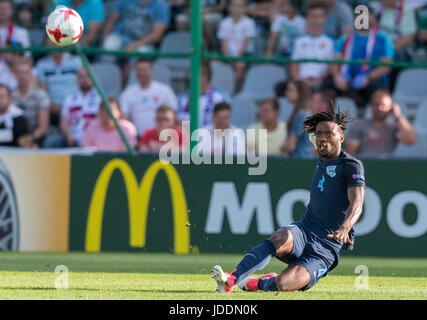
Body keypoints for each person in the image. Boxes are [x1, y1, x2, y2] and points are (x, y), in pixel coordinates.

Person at [212, 108, 366, 293]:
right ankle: (231, 279)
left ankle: (259, 282)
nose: (322, 138)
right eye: (318, 134)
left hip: (326, 249)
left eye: (328, 134)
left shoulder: (351, 165)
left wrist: (345, 227)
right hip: (305, 231)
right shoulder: (321, 161)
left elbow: (357, 202)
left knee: (283, 284)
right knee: (280, 237)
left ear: (341, 137)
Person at [329, 9, 394, 107]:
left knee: (375, 89)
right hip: (346, 79)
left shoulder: (383, 39)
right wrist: (337, 77)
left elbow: (386, 65)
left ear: (374, 19)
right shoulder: (345, 38)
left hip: (371, 80)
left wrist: (368, 78)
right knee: (328, 87)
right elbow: (335, 61)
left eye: (367, 15)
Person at [344, 89, 416, 158]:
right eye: (376, 104)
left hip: (386, 167)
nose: (380, 108)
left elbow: (410, 140)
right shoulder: (359, 125)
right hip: (364, 166)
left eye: (383, 105)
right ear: (371, 106)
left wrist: (398, 116)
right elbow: (350, 152)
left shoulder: (393, 127)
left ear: (390, 107)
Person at [119, 58, 178, 136]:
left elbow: (174, 114)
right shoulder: (128, 93)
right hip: (137, 138)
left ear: (151, 70)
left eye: (144, 69)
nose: (141, 73)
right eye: (138, 70)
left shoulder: (165, 90)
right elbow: (123, 117)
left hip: (163, 137)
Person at [36, 38, 82, 127]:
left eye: (56, 40)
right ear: (46, 43)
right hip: (52, 108)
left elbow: (84, 83)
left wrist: (70, 105)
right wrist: (51, 104)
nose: (54, 43)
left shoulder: (76, 61)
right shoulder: (41, 64)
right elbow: (42, 88)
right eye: (50, 40)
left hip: (74, 106)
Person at [289, 2, 334, 88]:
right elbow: (294, 65)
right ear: (306, 18)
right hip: (300, 81)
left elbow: (330, 67)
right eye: (312, 16)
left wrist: (318, 80)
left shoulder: (331, 42)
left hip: (322, 82)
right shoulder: (298, 41)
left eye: (319, 17)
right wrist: (299, 79)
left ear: (325, 19)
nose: (315, 20)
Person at [282, 88, 335, 159]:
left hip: (300, 163)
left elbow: (290, 146)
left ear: (324, 106)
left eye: (313, 100)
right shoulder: (333, 125)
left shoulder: (303, 115)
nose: (309, 102)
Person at [217, 0, 257, 92]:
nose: (236, 8)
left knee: (239, 66)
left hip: (243, 55)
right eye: (234, 5)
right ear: (229, 8)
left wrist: (236, 59)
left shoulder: (249, 23)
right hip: (227, 55)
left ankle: (234, 91)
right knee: (214, 64)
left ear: (244, 8)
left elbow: (245, 45)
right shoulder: (224, 22)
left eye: (239, 6)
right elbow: (223, 44)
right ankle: (221, 90)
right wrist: (229, 59)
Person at [102, 0, 169, 54]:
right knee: (109, 44)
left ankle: (130, 71)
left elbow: (156, 35)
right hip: (121, 36)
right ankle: (106, 69)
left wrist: (134, 45)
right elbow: (111, 21)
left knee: (142, 52)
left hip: (144, 42)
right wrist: (104, 38)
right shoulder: (125, 1)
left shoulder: (161, 5)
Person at [177, 61, 230, 128]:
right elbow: (179, 124)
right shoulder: (183, 98)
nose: (189, 77)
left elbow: (224, 122)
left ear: (205, 76)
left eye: (192, 74)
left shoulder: (220, 97)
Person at [11, 57, 50, 147]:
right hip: (14, 138)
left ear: (31, 74)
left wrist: (28, 140)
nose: (23, 76)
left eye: (26, 73)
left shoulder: (41, 95)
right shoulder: (10, 96)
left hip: (35, 137)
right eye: (20, 73)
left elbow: (43, 128)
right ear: (14, 74)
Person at [59, 67, 101, 147]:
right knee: (52, 142)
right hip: (71, 139)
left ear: (94, 78)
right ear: (77, 79)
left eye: (88, 76)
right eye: (81, 76)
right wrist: (68, 135)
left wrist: (89, 139)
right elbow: (63, 122)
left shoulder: (100, 98)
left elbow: (100, 122)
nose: (84, 79)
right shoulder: (69, 98)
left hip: (92, 140)